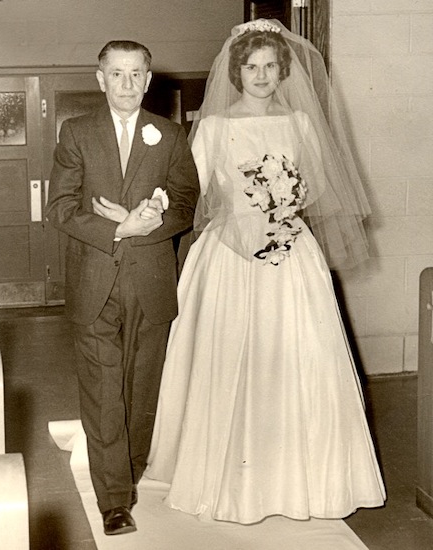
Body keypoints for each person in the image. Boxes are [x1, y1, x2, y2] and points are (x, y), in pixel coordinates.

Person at [145, 19, 386, 524]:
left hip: (290, 249)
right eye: (251, 67)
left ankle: (300, 477)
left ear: (282, 71)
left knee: (299, 351)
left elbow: (319, 184)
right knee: (233, 350)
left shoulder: (300, 123)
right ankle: (229, 476)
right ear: (237, 72)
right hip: (230, 252)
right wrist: (239, 214)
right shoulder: (214, 127)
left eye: (270, 67)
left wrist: (284, 207)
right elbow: (197, 189)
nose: (260, 75)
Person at [46, 40, 199, 536]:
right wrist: (117, 229)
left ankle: (129, 473)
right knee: (103, 391)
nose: (127, 84)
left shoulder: (171, 135)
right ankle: (114, 499)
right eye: (117, 74)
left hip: (152, 283)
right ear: (100, 78)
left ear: (149, 80)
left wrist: (150, 225)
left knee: (139, 389)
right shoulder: (76, 133)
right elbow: (61, 208)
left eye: (137, 74)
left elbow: (185, 203)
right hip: (95, 282)